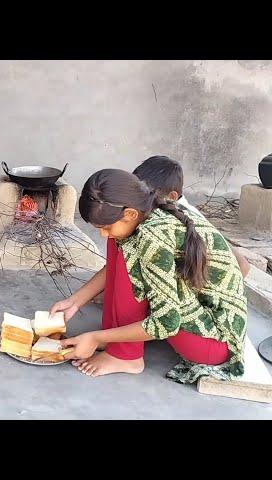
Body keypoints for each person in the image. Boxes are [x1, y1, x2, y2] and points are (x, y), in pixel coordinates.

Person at [51, 169, 247, 383]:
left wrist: (96, 337)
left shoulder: (152, 238)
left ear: (131, 214)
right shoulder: (145, 211)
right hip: (198, 312)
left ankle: (126, 357)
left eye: (105, 227)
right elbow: (115, 268)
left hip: (214, 342)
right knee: (119, 242)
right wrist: (75, 301)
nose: (102, 233)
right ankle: (116, 340)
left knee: (129, 250)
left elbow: (166, 323)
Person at [133, 155, 250, 277]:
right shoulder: (161, 215)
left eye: (147, 196)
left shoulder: (191, 219)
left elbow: (243, 265)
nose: (139, 201)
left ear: (172, 197)